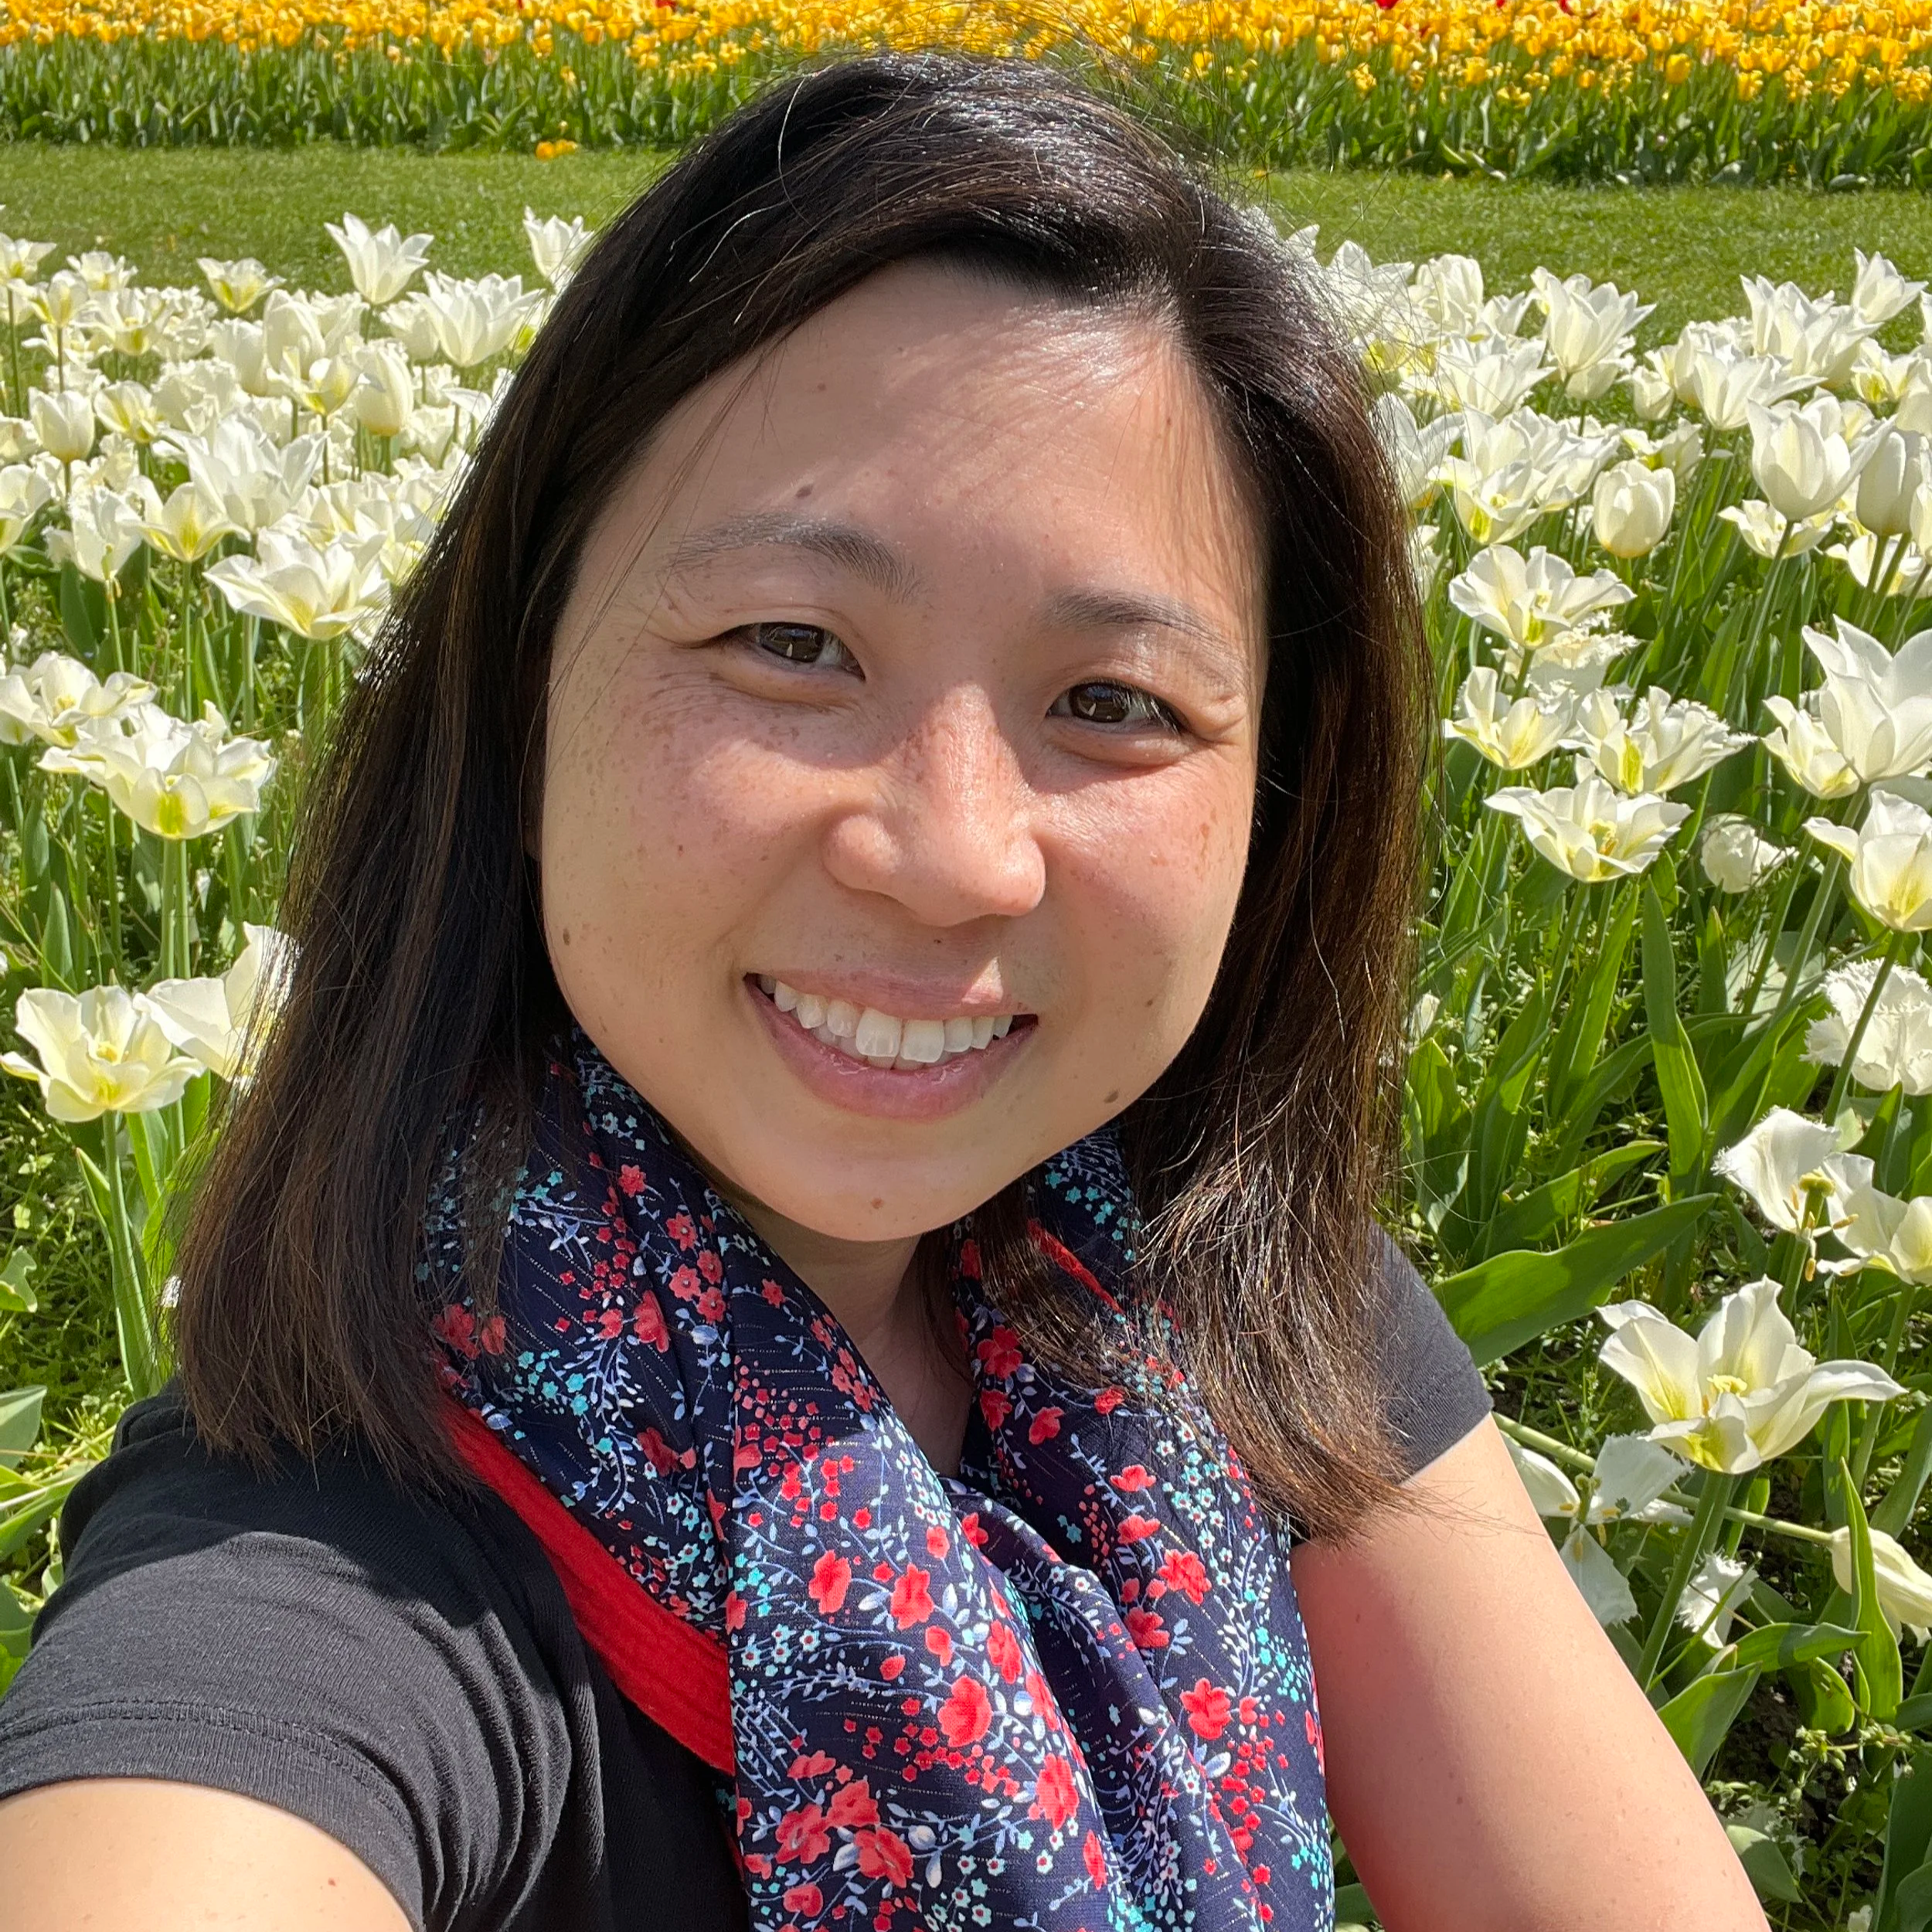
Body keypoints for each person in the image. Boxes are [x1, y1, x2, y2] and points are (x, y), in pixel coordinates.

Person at [0, 53, 1763, 1932]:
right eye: (789, 643)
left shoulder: (1224, 1302)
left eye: (1114, 702)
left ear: (1276, 803)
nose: (952, 854)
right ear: (520, 699)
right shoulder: (325, 1575)